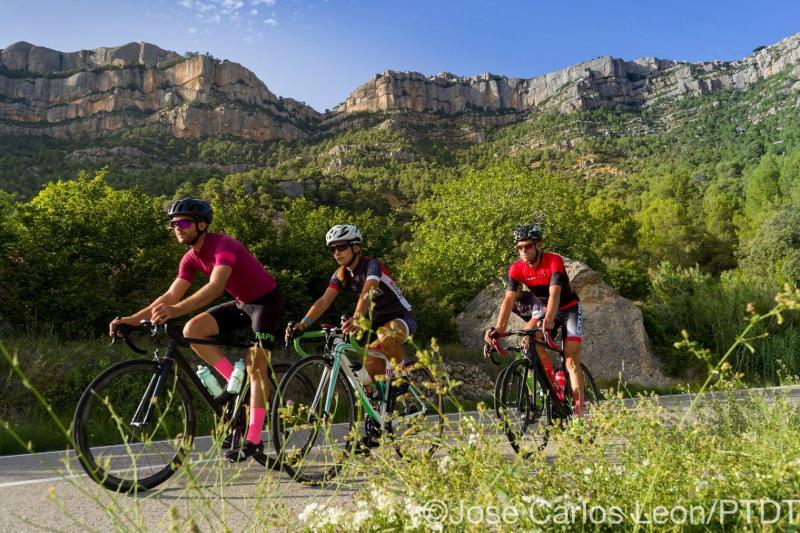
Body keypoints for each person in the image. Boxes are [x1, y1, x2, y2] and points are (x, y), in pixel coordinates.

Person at [109, 198, 283, 461]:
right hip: (242, 302)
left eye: (183, 222)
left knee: (256, 365)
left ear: (202, 225)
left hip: (267, 302)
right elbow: (170, 295)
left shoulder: (223, 245)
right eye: (173, 223)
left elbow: (215, 287)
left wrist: (176, 311)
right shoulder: (190, 258)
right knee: (194, 329)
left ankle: (254, 438)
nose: (177, 227)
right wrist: (132, 320)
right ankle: (233, 385)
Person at [286, 224, 416, 416]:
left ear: (356, 247)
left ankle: (402, 377)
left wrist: (356, 318)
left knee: (385, 334)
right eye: (332, 249)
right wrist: (303, 324)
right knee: (363, 381)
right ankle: (378, 423)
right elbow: (324, 301)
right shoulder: (341, 274)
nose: (336, 253)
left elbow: (367, 290)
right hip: (376, 325)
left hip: (401, 317)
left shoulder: (373, 265)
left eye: (341, 247)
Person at [484, 224, 586, 416]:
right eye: (519, 247)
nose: (523, 251)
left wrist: (548, 318)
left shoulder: (553, 261)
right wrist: (499, 327)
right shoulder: (516, 269)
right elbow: (509, 298)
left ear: (538, 245)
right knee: (528, 339)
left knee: (571, 358)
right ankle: (553, 383)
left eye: (527, 246)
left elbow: (554, 294)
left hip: (569, 308)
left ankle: (580, 413)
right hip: (547, 309)